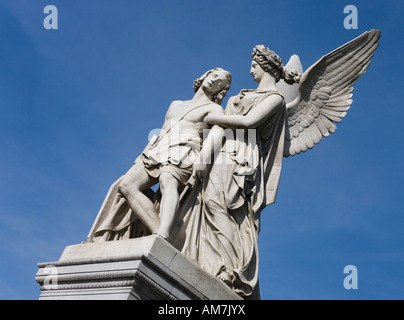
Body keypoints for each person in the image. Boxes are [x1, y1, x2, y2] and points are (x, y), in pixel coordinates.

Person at [170, 45, 301, 299]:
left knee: (223, 207)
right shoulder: (237, 97)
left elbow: (249, 122)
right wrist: (203, 159)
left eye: (254, 64)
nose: (250, 69)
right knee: (207, 203)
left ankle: (230, 270)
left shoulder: (275, 99)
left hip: (241, 156)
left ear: (265, 66)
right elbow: (219, 131)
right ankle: (213, 262)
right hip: (221, 152)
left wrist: (213, 119)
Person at [92, 68, 231, 241]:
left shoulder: (215, 109)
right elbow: (164, 130)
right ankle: (158, 231)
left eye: (220, 83)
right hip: (158, 149)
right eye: (214, 76)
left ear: (221, 91)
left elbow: (219, 132)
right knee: (126, 185)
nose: (215, 81)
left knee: (167, 180)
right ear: (205, 75)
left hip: (185, 149)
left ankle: (163, 233)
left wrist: (203, 158)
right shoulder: (176, 104)